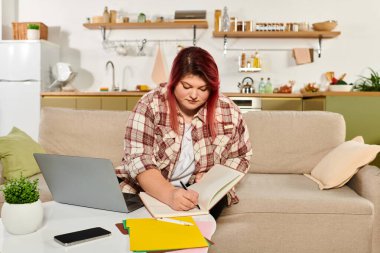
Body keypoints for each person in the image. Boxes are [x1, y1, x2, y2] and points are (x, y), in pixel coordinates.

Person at [116, 46, 252, 219]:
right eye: (187, 86)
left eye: (203, 89)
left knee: (197, 228)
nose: (194, 95)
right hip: (153, 189)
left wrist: (213, 178)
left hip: (200, 193)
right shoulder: (149, 104)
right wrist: (169, 194)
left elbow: (241, 156)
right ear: (174, 81)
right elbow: (139, 159)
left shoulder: (228, 110)